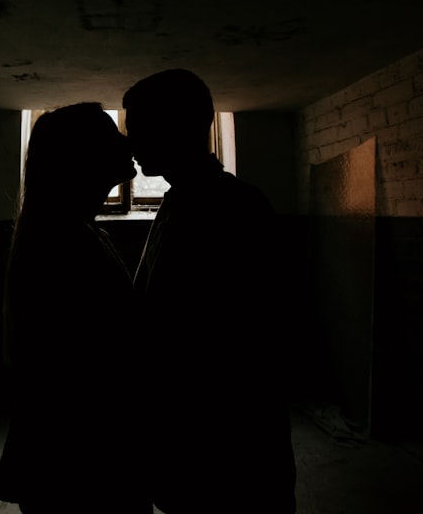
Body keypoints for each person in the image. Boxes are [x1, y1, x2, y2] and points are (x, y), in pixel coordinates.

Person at [123, 69, 297, 514]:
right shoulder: (182, 200)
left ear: (175, 127)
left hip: (226, 452)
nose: (131, 142)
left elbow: (244, 345)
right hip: (199, 446)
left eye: (139, 128)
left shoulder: (232, 208)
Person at [0, 102, 153, 514]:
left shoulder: (70, 230)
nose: (127, 140)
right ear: (82, 156)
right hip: (81, 466)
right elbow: (92, 364)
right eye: (110, 134)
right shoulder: (63, 242)